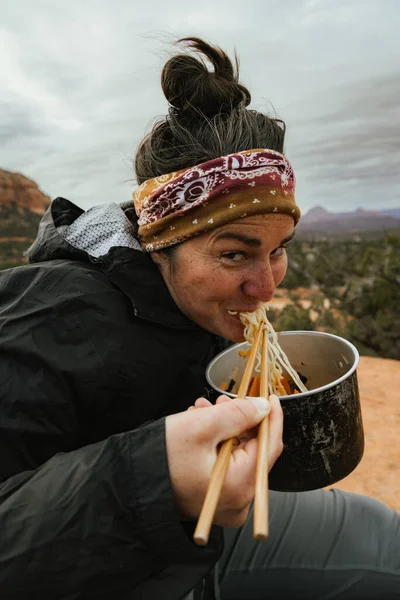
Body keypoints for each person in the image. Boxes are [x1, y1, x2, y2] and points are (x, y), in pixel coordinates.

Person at [0, 36, 398, 600]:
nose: (265, 287)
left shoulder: (199, 306)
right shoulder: (44, 317)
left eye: (279, 248)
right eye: (234, 254)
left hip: (209, 536)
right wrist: (157, 480)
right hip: (117, 573)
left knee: (386, 544)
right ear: (158, 246)